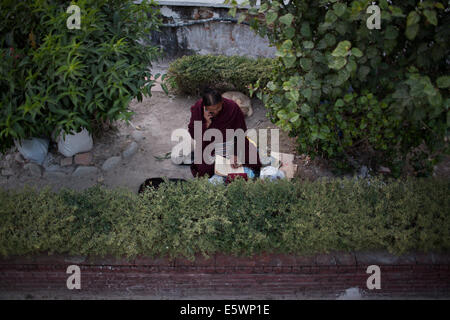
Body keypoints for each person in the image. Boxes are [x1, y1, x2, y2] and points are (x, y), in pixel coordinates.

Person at [188, 87, 261, 181]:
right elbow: (194, 135)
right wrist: (206, 123)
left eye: (218, 108)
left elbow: (241, 132)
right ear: (205, 107)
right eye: (211, 110)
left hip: (233, 142)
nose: (216, 112)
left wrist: (235, 154)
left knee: (253, 160)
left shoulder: (232, 107)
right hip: (210, 145)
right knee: (204, 170)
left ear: (222, 102)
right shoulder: (198, 108)